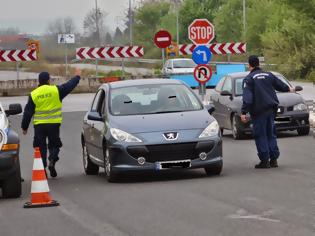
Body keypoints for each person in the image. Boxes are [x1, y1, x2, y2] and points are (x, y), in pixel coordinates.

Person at [21, 69, 81, 177]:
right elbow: (69, 86)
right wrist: (77, 77)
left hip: (39, 126)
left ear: (38, 81)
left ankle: (42, 167)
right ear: (49, 80)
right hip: (54, 124)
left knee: (40, 147)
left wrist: (24, 127)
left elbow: (27, 112)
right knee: (54, 144)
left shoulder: (34, 94)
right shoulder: (56, 90)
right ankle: (52, 160)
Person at [241, 55, 295, 169]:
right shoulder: (269, 75)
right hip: (271, 110)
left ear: (249, 65)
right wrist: (290, 89)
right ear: (259, 64)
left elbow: (248, 97)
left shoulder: (249, 79)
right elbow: (281, 85)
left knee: (261, 134)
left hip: (258, 111)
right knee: (271, 133)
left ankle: (265, 160)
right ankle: (274, 159)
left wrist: (244, 112)